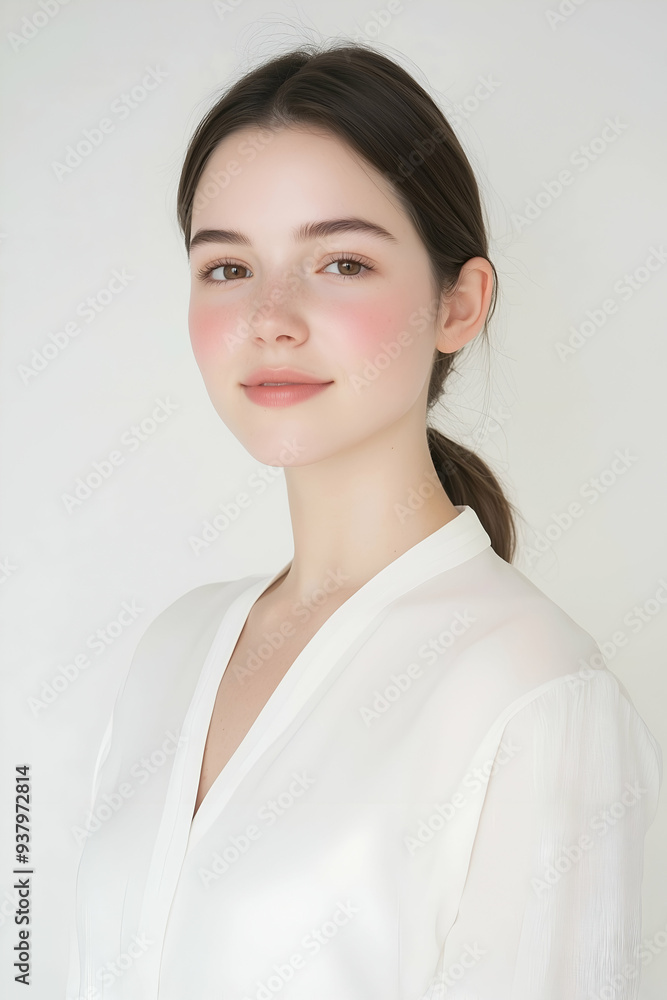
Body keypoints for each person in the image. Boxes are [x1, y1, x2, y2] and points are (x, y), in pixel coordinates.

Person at [67, 41, 662, 999]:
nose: (271, 316)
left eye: (339, 261)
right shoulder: (169, 652)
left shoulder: (539, 699)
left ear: (458, 304)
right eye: (226, 269)